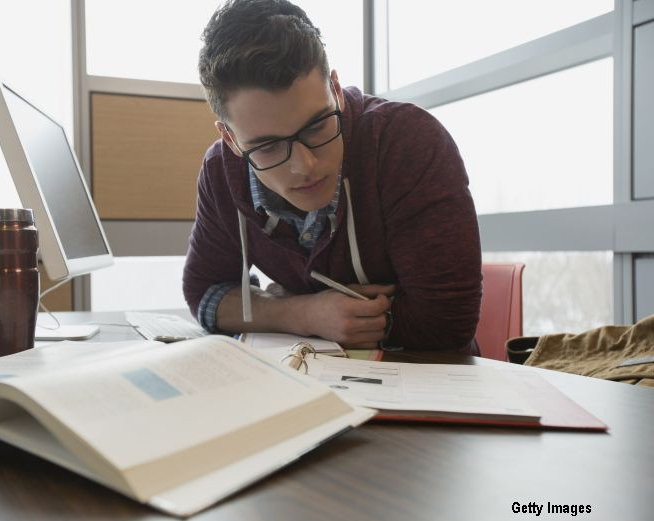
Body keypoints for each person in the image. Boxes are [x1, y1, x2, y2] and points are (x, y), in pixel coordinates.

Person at [183, 0, 482, 352]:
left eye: (316, 126)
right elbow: (204, 293)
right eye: (268, 147)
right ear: (231, 139)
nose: (305, 166)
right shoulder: (221, 171)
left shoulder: (407, 141)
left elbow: (446, 323)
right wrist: (304, 314)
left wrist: (338, 318)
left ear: (336, 91)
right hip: (303, 382)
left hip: (426, 385)